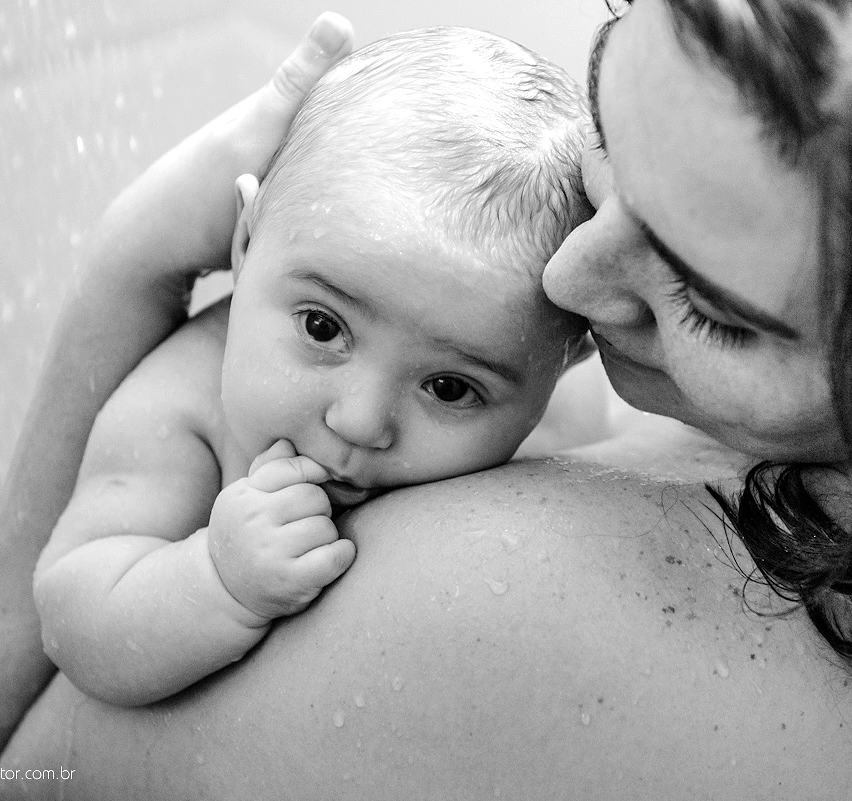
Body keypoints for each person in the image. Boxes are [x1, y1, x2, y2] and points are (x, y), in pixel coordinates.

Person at [0, 0, 852, 797]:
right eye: (613, 139)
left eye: (708, 306)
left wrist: (136, 259)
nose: (564, 285)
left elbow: (10, 766)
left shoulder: (484, 602)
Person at [30, 26, 590, 708]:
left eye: (449, 388)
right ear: (244, 241)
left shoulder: (562, 419)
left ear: (567, 361)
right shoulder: (179, 412)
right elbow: (70, 610)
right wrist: (214, 580)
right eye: (322, 327)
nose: (358, 420)